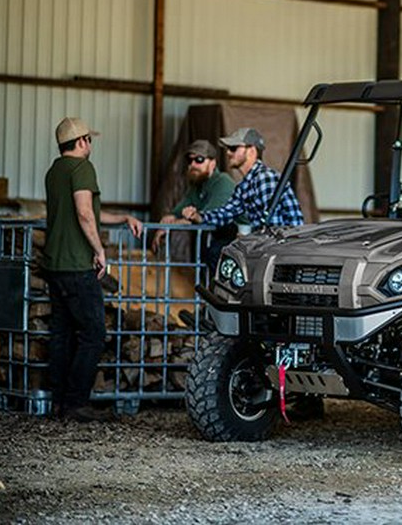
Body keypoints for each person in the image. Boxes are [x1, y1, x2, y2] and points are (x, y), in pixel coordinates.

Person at [41, 117, 143, 422]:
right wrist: (100, 251)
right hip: (76, 264)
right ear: (82, 141)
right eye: (90, 140)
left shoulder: (55, 171)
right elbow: (85, 213)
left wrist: (123, 216)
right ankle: (76, 403)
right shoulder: (82, 168)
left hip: (55, 264)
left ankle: (58, 401)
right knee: (94, 332)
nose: (91, 145)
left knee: (62, 332)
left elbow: (88, 213)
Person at [182, 127, 304, 230]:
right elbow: (226, 214)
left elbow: (272, 226)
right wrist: (198, 217)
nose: (228, 153)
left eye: (234, 148)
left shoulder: (264, 178)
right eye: (228, 149)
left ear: (251, 151)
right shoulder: (244, 186)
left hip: (285, 251)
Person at [151, 139, 236, 271]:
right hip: (215, 243)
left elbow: (206, 219)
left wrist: (171, 226)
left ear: (213, 163)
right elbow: (177, 212)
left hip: (238, 240)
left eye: (199, 160)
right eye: (190, 161)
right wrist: (165, 223)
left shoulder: (223, 182)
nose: (193, 164)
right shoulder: (197, 186)